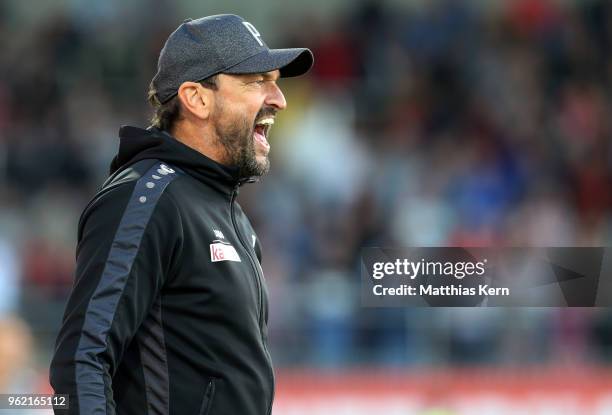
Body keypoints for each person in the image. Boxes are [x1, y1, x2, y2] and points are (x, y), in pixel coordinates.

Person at [49, 14, 313, 415]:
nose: (279, 99)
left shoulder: (227, 211)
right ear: (197, 98)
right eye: (257, 82)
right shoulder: (145, 199)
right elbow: (82, 361)